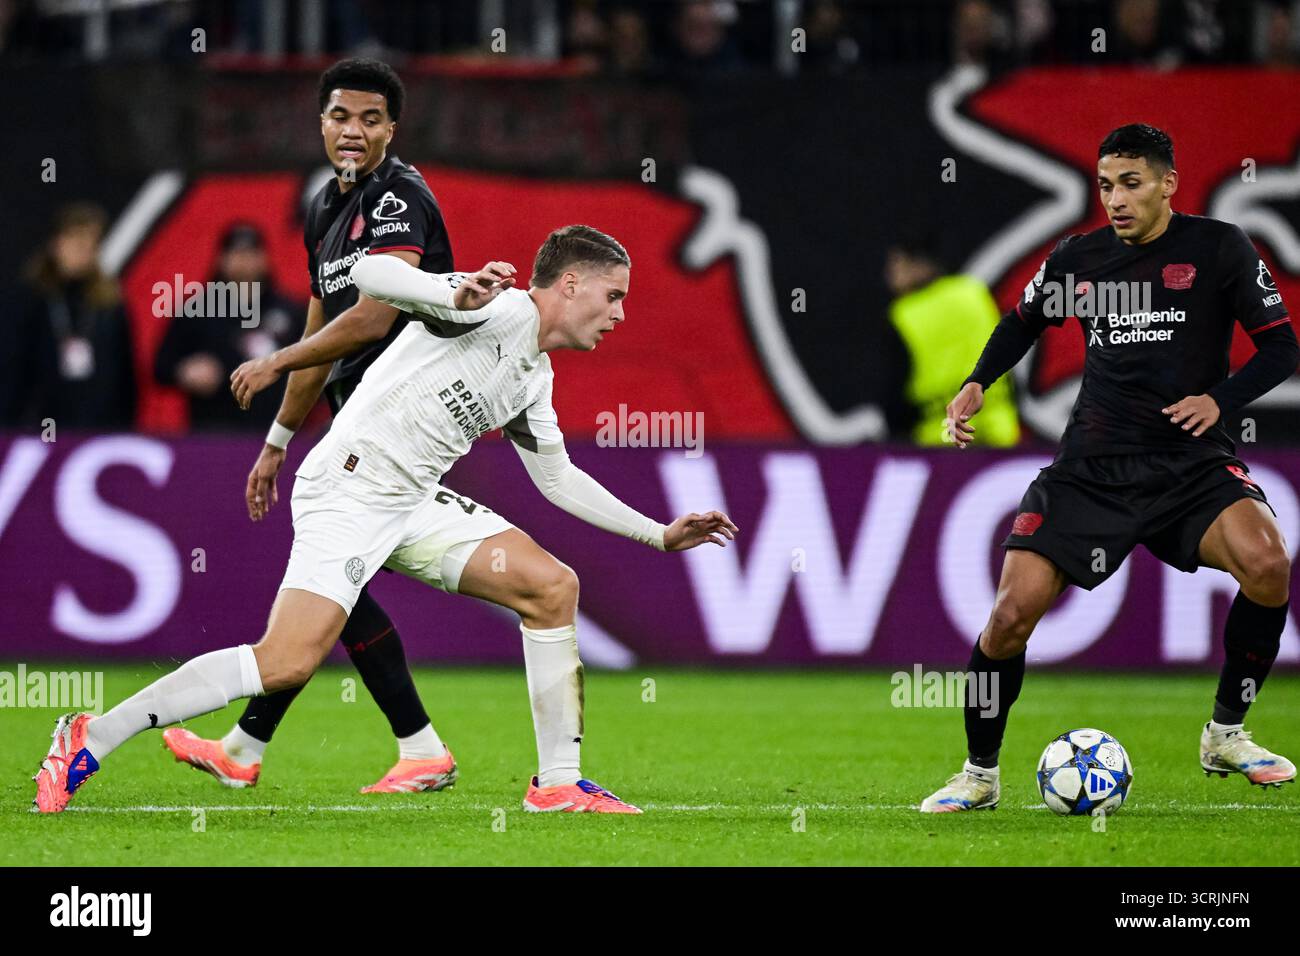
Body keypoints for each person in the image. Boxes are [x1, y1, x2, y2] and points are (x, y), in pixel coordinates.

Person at [34, 225, 739, 815]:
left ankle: (557, 784)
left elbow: (557, 479)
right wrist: (447, 287)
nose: (618, 315)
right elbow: (373, 270)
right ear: (571, 285)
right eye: (613, 296)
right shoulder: (487, 307)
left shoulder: (534, 378)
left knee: (552, 587)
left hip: (410, 501)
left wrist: (659, 533)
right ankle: (91, 734)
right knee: (284, 661)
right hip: (347, 489)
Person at [921, 123, 1297, 812]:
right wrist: (979, 380)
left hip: (1189, 465)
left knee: (1268, 565)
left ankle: (1226, 732)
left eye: (1130, 183)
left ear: (1167, 184)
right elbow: (1022, 320)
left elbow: (1281, 348)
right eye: (1105, 186)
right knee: (1009, 617)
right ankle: (978, 775)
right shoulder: (1080, 258)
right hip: (1091, 469)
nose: (1116, 200)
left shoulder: (1218, 248)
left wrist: (1219, 401)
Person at [160, 58, 459, 795]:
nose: (352, 132)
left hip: (406, 422)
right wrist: (277, 441)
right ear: (320, 122)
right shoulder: (328, 208)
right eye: (338, 116)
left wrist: (272, 363)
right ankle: (383, 748)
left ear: (392, 128)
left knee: (333, 574)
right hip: (364, 423)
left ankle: (270, 747)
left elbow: (374, 316)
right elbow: (326, 323)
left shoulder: (399, 199)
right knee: (338, 580)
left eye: (369, 119)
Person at [153, 223, 301, 431]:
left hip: (274, 431)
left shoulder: (289, 312)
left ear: (264, 259)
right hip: (213, 432)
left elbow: (314, 367)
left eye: (251, 253)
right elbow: (161, 365)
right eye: (237, 254)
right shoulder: (198, 309)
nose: (244, 261)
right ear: (221, 259)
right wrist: (185, 371)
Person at [1, 203, 136, 430]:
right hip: (39, 424)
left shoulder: (108, 302)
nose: (83, 250)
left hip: (99, 424)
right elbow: (13, 366)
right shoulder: (31, 298)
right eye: (75, 241)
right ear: (55, 244)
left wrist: (123, 424)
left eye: (90, 244)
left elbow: (124, 371)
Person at [881, 233, 1019, 446]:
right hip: (999, 431)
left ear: (917, 265)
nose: (890, 275)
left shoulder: (904, 315)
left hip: (941, 438)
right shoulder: (974, 293)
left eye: (896, 265)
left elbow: (893, 395)